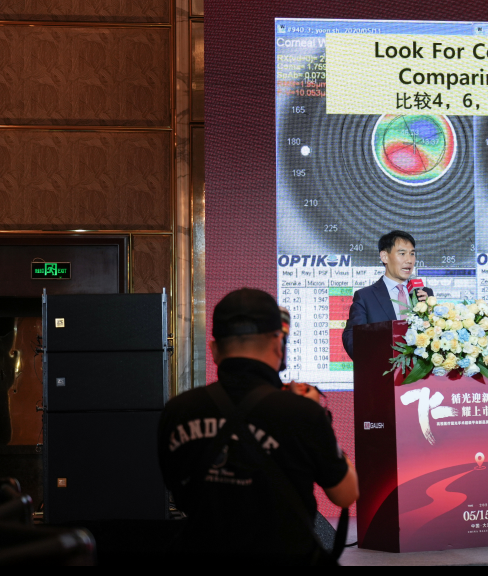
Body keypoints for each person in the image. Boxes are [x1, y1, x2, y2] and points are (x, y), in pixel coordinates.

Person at [158, 288, 358, 564]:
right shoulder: (303, 412)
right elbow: (347, 494)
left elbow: (179, 494)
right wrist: (319, 418)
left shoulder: (177, 410)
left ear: (214, 350)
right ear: (278, 345)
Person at [342, 230, 432, 359]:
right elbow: (351, 336)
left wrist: (431, 313)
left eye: (412, 254)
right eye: (402, 254)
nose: (409, 260)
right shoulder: (366, 297)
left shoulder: (424, 294)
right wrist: (370, 359)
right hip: (382, 368)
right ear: (384, 256)